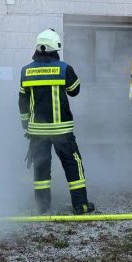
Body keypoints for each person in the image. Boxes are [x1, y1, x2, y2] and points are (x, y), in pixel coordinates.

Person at [19, 29, 95, 215]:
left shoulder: (26, 71)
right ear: (55, 48)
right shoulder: (64, 68)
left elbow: (22, 101)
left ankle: (42, 206)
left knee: (41, 167)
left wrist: (25, 123)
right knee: (72, 164)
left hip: (37, 131)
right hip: (61, 130)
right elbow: (74, 91)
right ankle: (80, 205)